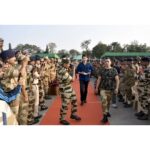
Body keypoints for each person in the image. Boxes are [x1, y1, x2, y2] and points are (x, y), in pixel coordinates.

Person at [57, 59, 81, 125]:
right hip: (65, 90)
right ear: (64, 64)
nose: (69, 65)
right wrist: (74, 70)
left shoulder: (64, 69)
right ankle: (62, 119)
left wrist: (71, 68)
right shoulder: (62, 71)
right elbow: (72, 79)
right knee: (65, 104)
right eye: (68, 64)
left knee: (74, 101)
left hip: (69, 88)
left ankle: (73, 114)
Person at [95, 58, 119, 124]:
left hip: (111, 89)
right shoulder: (102, 70)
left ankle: (107, 111)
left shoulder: (114, 70)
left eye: (108, 61)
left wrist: (117, 88)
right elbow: (99, 79)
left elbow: (117, 80)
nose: (106, 62)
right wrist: (96, 88)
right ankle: (105, 115)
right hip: (103, 89)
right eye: (105, 61)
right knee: (103, 101)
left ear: (110, 62)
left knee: (108, 102)